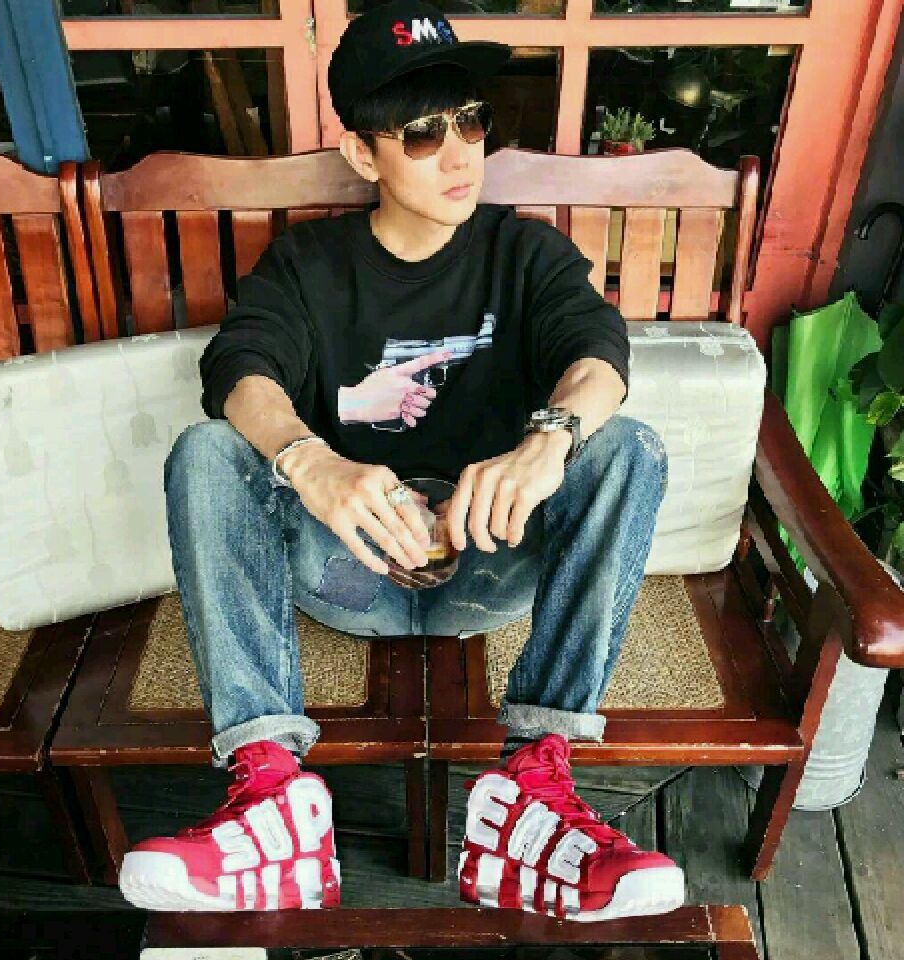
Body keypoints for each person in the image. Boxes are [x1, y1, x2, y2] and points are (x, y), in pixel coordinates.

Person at [117, 0, 684, 921]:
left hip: (491, 567)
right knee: (208, 452)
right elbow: (238, 368)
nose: (459, 155)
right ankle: (270, 793)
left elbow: (597, 352)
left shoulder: (523, 251)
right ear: (361, 154)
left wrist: (549, 441)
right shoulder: (310, 264)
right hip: (345, 570)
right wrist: (311, 460)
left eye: (471, 121)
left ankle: (534, 780)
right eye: (422, 134)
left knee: (626, 447)